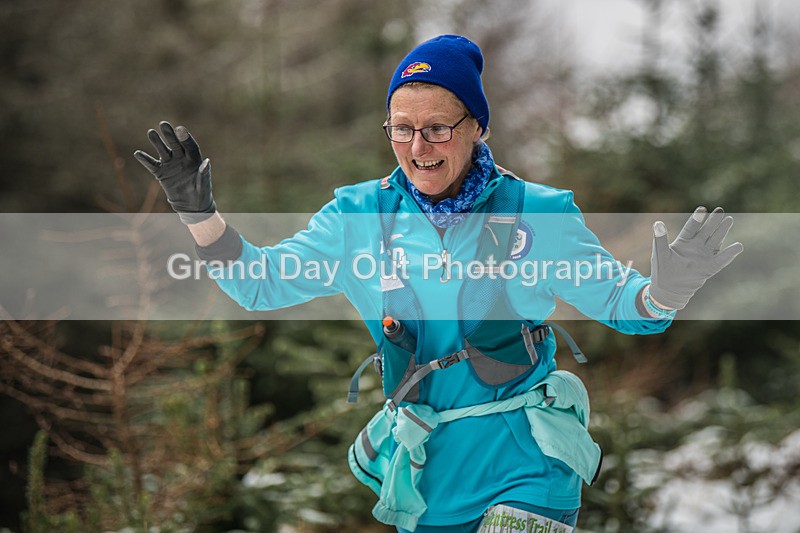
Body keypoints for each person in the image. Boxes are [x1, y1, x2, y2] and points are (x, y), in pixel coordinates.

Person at [135, 34, 742, 533]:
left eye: (437, 128)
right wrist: (199, 215)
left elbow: (627, 304)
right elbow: (260, 286)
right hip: (426, 480)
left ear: (476, 125)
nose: (417, 147)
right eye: (401, 128)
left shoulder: (539, 212)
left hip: (526, 463)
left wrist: (666, 289)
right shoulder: (357, 219)